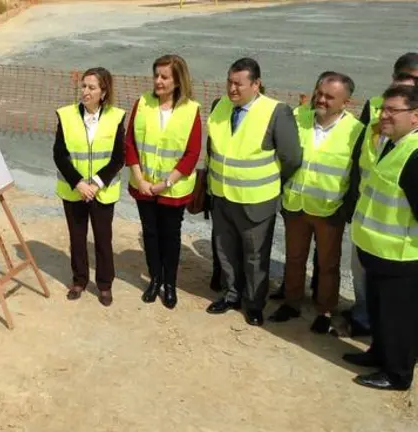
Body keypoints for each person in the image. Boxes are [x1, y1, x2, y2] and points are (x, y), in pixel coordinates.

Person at [204, 57, 302, 326]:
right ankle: (231, 295)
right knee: (225, 251)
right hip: (222, 196)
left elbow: (292, 157)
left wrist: (270, 182)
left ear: (256, 84)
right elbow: (213, 148)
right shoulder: (219, 105)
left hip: (256, 201)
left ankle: (254, 303)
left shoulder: (276, 112)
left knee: (255, 256)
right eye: (229, 82)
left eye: (239, 84)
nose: (232, 89)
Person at [268, 72, 364, 334]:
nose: (321, 100)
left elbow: (357, 175)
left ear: (346, 102)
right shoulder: (298, 118)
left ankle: (325, 310)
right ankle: (292, 302)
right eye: (319, 93)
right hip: (295, 204)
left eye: (329, 97)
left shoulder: (356, 131)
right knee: (294, 258)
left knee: (328, 264)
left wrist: (346, 210)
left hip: (329, 210)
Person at [345, 85, 418, 391]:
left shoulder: (414, 154)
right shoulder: (392, 144)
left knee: (398, 319)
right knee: (379, 312)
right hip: (376, 251)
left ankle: (397, 374)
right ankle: (378, 353)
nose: (383, 115)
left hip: (399, 256)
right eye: (383, 109)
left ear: (415, 116)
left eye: (392, 110)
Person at [125, 54, 202, 309]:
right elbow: (130, 143)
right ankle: (154, 279)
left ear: (178, 81)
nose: (158, 81)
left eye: (164, 77)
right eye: (156, 75)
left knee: (170, 235)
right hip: (144, 185)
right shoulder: (142, 103)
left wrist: (166, 183)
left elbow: (192, 153)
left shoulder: (191, 110)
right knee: (150, 233)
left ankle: (170, 284)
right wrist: (140, 179)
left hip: (173, 189)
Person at [53, 67, 126, 307]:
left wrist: (95, 184)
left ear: (103, 92)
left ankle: (104, 285)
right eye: (84, 86)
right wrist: (78, 183)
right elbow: (60, 155)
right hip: (74, 190)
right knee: (77, 238)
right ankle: (79, 281)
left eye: (92, 87)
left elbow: (118, 158)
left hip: (101, 191)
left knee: (103, 240)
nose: (85, 91)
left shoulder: (116, 117)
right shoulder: (66, 115)